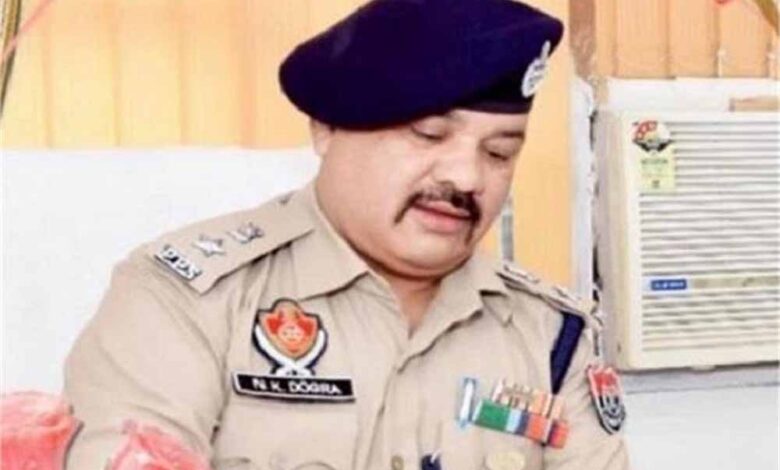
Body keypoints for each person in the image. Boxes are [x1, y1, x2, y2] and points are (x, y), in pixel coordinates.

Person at [63, 0, 629, 469]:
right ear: (327, 128)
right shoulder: (188, 301)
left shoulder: (551, 336)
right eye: (429, 135)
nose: (466, 177)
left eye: (499, 152)